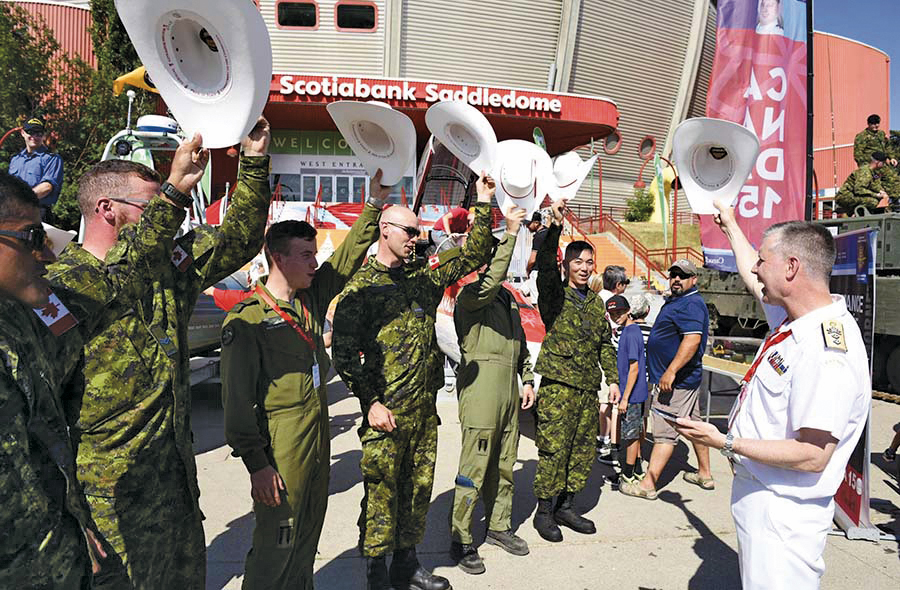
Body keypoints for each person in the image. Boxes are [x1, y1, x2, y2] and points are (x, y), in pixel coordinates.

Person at [52, 118, 273, 589]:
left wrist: (252, 162)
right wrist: (71, 515)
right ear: (107, 209)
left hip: (174, 490)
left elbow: (238, 240)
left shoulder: (166, 270)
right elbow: (41, 421)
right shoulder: (68, 286)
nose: (169, 218)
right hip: (108, 503)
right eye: (152, 207)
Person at [0, 141, 195, 588]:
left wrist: (175, 192)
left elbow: (121, 274)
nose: (47, 254)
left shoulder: (24, 321)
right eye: (33, 238)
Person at [674, 201, 870, 590]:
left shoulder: (827, 352)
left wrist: (724, 441)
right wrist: (729, 224)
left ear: (791, 268)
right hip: (764, 498)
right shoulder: (798, 318)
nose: (755, 268)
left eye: (764, 260)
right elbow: (753, 281)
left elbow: (814, 455)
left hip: (783, 515)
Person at [220, 171, 388, 590]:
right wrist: (257, 464)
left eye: (315, 255)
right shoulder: (248, 321)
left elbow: (346, 260)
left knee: (308, 530)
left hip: (316, 434)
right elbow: (238, 405)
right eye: (306, 256)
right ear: (279, 259)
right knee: (278, 537)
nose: (316, 264)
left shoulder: (309, 300)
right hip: (282, 440)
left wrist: (372, 206)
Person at [332, 172, 495, 590]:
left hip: (423, 414)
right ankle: (375, 571)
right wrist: (369, 402)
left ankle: (407, 563)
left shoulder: (422, 278)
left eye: (418, 233)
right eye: (408, 231)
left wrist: (483, 199)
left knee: (418, 490)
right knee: (382, 494)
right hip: (385, 414)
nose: (415, 239)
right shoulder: (361, 290)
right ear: (384, 230)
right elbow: (345, 354)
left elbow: (474, 253)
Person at [448, 205, 534, 575]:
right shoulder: (470, 298)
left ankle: (498, 526)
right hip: (481, 389)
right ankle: (461, 536)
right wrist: (511, 234)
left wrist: (527, 378)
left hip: (509, 392)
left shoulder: (508, 299)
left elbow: (521, 344)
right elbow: (494, 276)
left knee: (504, 465)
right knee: (476, 466)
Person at [531, 199, 619, 543]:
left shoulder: (596, 304)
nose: (584, 267)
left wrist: (612, 378)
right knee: (554, 450)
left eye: (588, 262)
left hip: (586, 391)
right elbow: (546, 271)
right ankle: (543, 511)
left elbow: (603, 345)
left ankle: (566, 506)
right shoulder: (554, 296)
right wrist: (555, 226)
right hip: (558, 389)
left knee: (581, 452)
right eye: (577, 261)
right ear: (567, 265)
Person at [620, 259, 713, 500]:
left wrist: (670, 372)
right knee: (693, 425)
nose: (676, 280)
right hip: (684, 380)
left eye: (683, 276)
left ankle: (648, 485)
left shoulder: (690, 304)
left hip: (675, 382)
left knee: (664, 431)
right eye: (673, 275)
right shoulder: (680, 301)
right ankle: (705, 473)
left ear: (694, 279)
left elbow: (691, 340)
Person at [606, 295, 649, 486]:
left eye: (620, 312)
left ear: (628, 310)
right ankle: (637, 469)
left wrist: (625, 398)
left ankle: (628, 474)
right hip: (633, 392)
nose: (616, 316)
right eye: (613, 313)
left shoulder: (631, 333)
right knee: (634, 431)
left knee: (630, 436)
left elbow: (634, 368)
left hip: (631, 394)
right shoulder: (628, 330)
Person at [596, 264, 629, 465]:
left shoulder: (596, 298)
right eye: (625, 283)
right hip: (609, 355)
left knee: (604, 402)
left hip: (599, 355)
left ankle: (602, 438)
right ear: (618, 285)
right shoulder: (613, 303)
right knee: (609, 402)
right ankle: (607, 441)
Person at [8, 116, 64, 220]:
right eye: (30, 132)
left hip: (37, 214)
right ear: (23, 133)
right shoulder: (15, 160)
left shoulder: (52, 159)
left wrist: (22, 198)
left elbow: (47, 187)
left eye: (39, 133)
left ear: (44, 136)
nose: (34, 136)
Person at [854, 114, 900, 199]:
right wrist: (866, 168)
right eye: (873, 124)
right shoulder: (861, 136)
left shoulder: (881, 134)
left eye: (877, 123)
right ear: (868, 124)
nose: (876, 126)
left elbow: (888, 146)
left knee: (894, 180)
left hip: (882, 164)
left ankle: (894, 202)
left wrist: (892, 157)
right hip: (872, 165)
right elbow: (858, 154)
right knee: (876, 185)